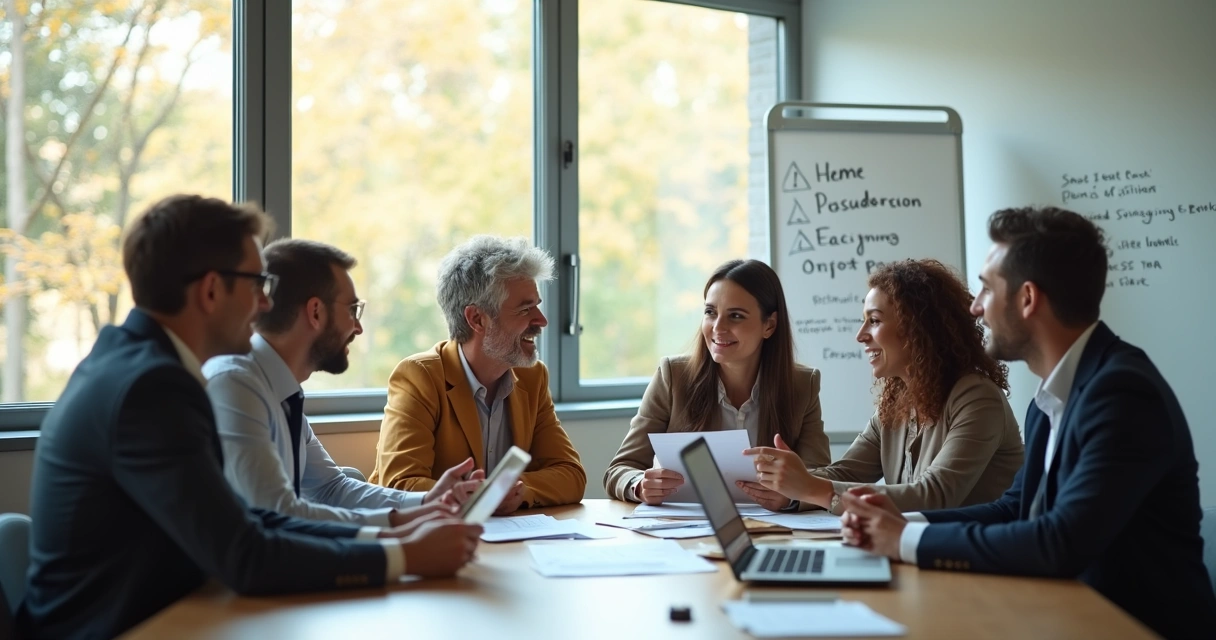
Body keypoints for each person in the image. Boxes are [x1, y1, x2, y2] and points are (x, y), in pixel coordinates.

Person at [16, 195, 481, 639]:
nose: (265, 305)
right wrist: (401, 555)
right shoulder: (151, 389)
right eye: (258, 284)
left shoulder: (141, 366)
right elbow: (245, 553)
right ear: (212, 290)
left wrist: (398, 531)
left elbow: (250, 520)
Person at [839, 206, 1216, 639]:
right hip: (1064, 614)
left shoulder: (1122, 393)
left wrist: (903, 541)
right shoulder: (1051, 397)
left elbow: (1058, 542)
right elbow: (1014, 509)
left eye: (984, 290)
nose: (976, 309)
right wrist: (908, 521)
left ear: (1028, 298)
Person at [204, 239, 484, 527]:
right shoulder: (236, 385)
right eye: (353, 310)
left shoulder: (280, 390)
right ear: (315, 312)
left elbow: (331, 489)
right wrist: (400, 535)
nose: (359, 327)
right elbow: (278, 513)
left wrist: (430, 501)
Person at [744, 259, 1024, 514]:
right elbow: (845, 473)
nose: (860, 335)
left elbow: (936, 496)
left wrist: (810, 488)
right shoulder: (896, 402)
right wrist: (787, 489)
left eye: (874, 321)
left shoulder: (976, 397)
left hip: (976, 563)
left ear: (919, 329)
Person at [368, 235, 586, 513]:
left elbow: (571, 475)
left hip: (508, 542)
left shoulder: (533, 377)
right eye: (525, 308)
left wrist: (518, 490)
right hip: (431, 543)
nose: (541, 320)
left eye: (537, 305)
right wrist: (483, 495)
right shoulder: (419, 377)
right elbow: (398, 485)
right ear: (477, 319)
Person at [604, 259, 831, 509]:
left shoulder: (802, 385)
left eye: (735, 316)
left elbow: (820, 477)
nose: (718, 327)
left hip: (770, 532)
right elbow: (620, 469)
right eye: (710, 312)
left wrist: (791, 497)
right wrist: (640, 485)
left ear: (770, 325)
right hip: (685, 532)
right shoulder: (673, 376)